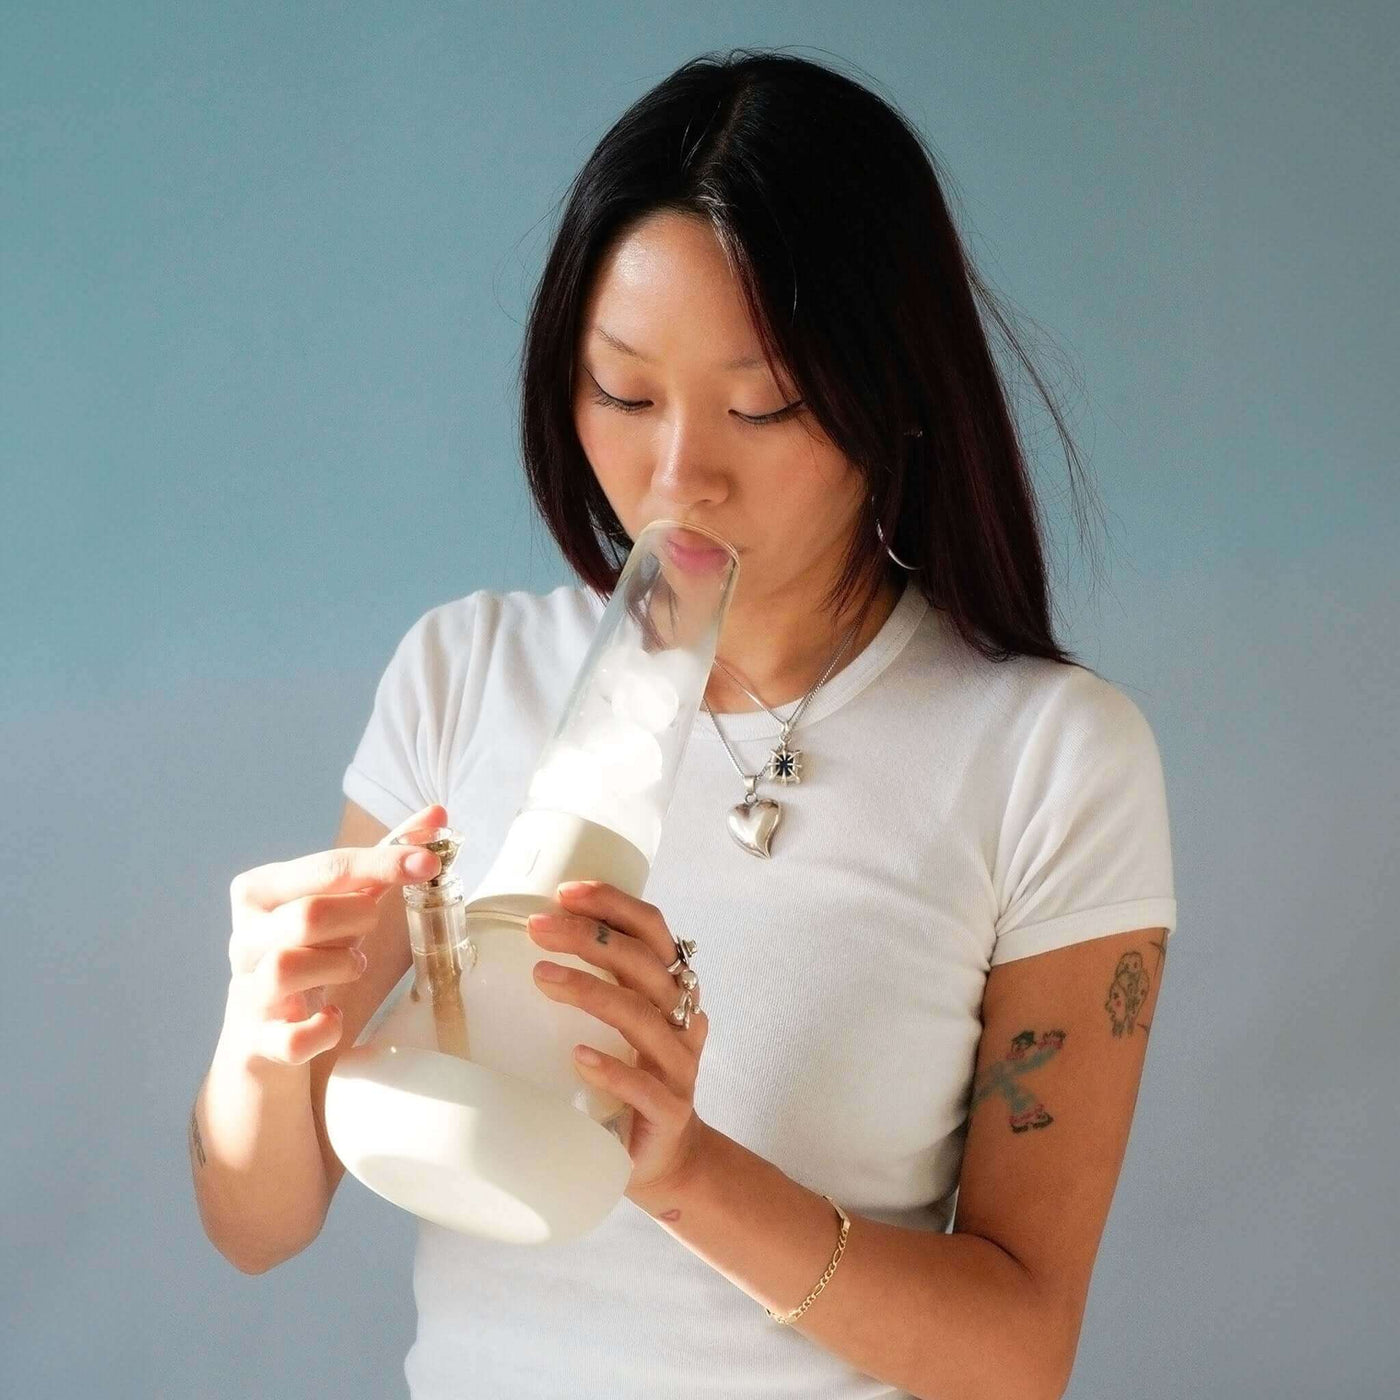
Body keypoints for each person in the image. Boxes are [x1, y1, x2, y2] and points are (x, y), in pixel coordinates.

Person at [190, 49, 1177, 1400]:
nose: (677, 478)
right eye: (625, 392)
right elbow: (258, 1225)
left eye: (761, 402)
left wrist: (683, 1171)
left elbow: (1018, 1353)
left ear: (893, 393)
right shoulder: (462, 673)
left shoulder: (1051, 759)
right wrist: (263, 1028)